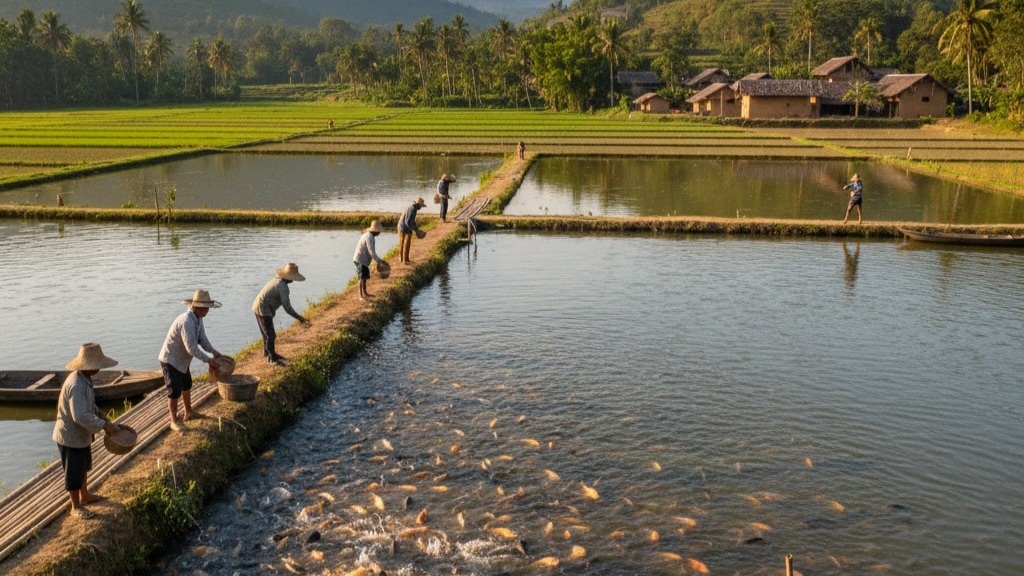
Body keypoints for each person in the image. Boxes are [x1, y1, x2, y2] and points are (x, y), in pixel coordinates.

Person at [52, 343, 121, 519]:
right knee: (74, 472)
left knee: (83, 466)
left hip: (81, 434)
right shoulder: (76, 385)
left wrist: (104, 419)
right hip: (70, 436)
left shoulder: (85, 380)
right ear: (89, 366)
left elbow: (91, 406)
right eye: (97, 365)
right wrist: (104, 426)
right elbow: (80, 415)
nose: (99, 369)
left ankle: (85, 495)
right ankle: (75, 506)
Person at [158, 289, 227, 431]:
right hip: (170, 359)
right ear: (196, 307)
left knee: (187, 384)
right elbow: (192, 348)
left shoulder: (198, 320)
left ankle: (188, 412)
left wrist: (214, 352)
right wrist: (209, 360)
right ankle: (174, 420)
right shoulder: (186, 321)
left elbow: (202, 340)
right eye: (205, 308)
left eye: (207, 308)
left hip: (182, 360)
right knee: (174, 390)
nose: (207, 311)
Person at [253, 263, 310, 367]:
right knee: (271, 335)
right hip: (263, 308)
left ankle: (268, 353)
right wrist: (300, 318)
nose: (293, 280)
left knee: (266, 334)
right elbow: (287, 308)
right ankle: (272, 359)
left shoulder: (276, 281)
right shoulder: (283, 287)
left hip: (258, 306)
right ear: (288, 277)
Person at [353, 220, 387, 300]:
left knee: (364, 276)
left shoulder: (369, 236)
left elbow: (371, 252)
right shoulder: (369, 238)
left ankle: (365, 293)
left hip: (363, 260)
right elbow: (372, 252)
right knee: (361, 277)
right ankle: (360, 295)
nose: (379, 233)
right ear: (375, 231)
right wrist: (379, 261)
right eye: (379, 231)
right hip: (360, 259)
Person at [398, 197, 427, 264]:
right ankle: (403, 260)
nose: (421, 207)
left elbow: (412, 221)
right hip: (402, 226)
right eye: (420, 206)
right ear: (417, 204)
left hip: (406, 226)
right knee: (404, 243)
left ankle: (406, 259)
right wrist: (414, 230)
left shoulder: (414, 209)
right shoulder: (412, 209)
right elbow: (407, 222)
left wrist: (416, 228)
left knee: (407, 243)